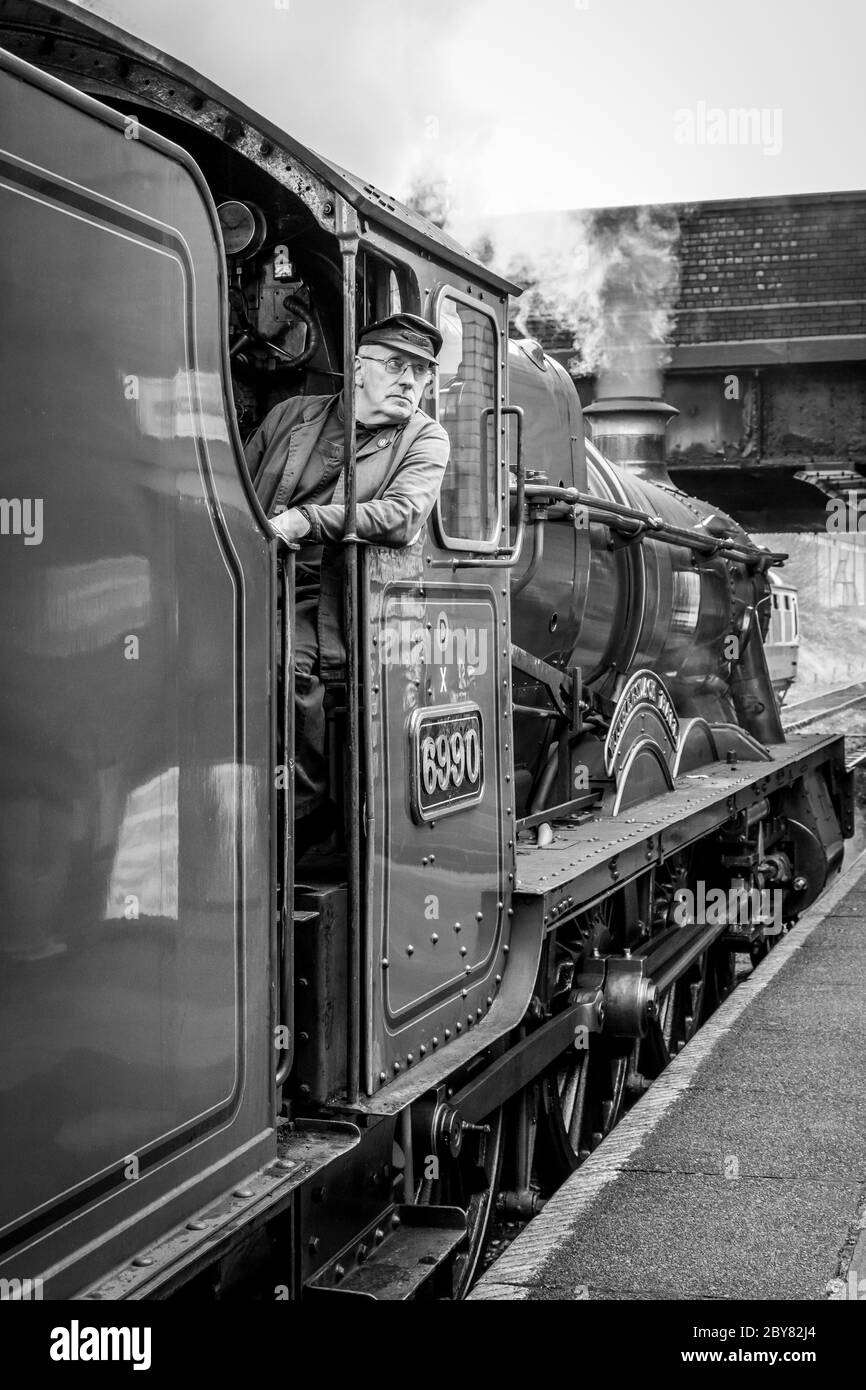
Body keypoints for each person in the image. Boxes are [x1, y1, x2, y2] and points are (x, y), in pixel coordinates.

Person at [244, 313, 450, 856]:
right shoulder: (292, 415)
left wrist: (306, 521)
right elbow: (236, 484)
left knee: (283, 664)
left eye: (421, 372)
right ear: (358, 368)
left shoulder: (426, 438)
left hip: (333, 596)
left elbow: (402, 515)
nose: (409, 380)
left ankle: (300, 818)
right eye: (396, 365)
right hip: (254, 572)